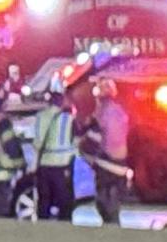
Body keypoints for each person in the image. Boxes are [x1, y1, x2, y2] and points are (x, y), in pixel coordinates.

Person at [84, 78, 133, 226]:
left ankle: (111, 229)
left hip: (106, 162)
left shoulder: (102, 113)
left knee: (103, 202)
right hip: (121, 163)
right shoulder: (121, 112)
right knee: (114, 202)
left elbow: (93, 138)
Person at [30, 87, 77, 222]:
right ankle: (64, 227)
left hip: (44, 164)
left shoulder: (41, 116)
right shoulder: (68, 118)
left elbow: (37, 142)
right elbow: (74, 142)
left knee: (44, 199)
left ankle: (42, 227)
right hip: (62, 166)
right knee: (64, 201)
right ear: (62, 102)